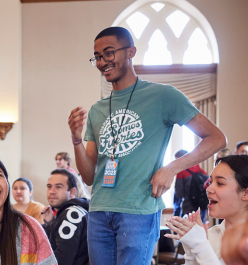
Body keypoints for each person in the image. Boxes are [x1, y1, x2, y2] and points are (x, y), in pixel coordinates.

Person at [68, 26, 226, 264]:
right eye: (97, 57)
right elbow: (89, 177)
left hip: (138, 210)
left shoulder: (163, 96)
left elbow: (216, 138)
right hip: (99, 210)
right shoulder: (98, 110)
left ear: (131, 52)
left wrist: (172, 168)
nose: (102, 62)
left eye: (109, 53)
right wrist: (76, 139)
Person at [164, 155, 248, 264]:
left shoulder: (204, 241)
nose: (208, 189)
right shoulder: (210, 235)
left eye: (220, 183)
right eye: (210, 182)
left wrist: (200, 246)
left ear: (246, 193)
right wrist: (191, 252)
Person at [42, 168, 89, 265]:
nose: (52, 191)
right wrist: (51, 222)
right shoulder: (75, 210)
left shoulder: (71, 214)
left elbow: (62, 259)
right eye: (49, 186)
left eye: (58, 187)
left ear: (72, 192)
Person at [174, 149, 208, 222]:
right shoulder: (201, 171)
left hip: (188, 208)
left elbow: (179, 194)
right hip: (202, 207)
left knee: (187, 232)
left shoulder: (181, 172)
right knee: (201, 230)